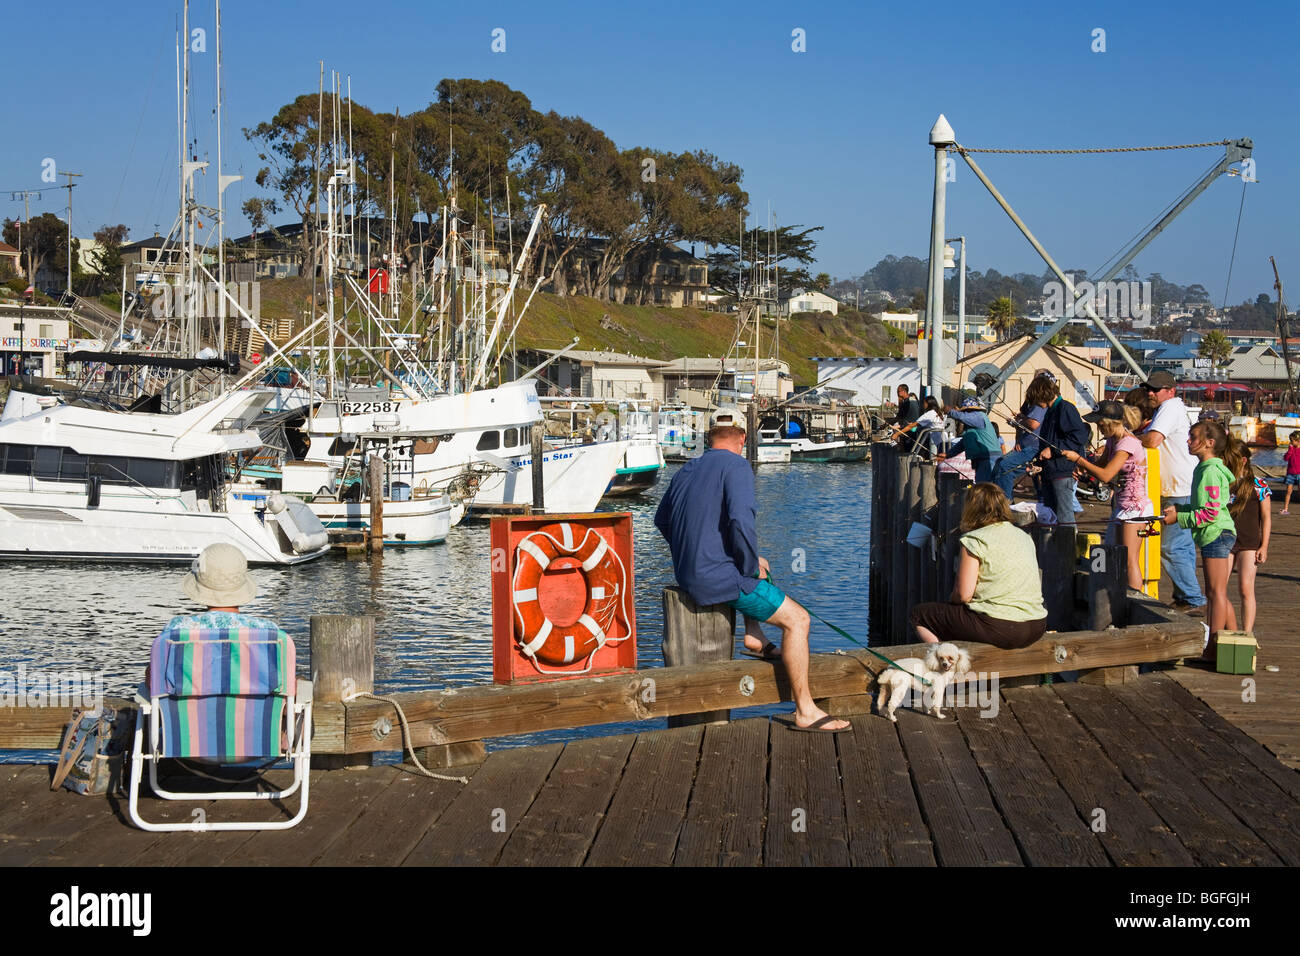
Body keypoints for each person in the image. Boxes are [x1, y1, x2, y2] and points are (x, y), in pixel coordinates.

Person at [654, 405, 849, 733]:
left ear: (710, 435)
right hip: (717, 578)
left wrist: (694, 554)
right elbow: (741, 520)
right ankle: (805, 710)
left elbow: (662, 520)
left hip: (689, 574)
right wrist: (744, 567)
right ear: (744, 437)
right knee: (799, 621)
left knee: (761, 563)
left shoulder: (687, 469)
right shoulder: (737, 466)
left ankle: (754, 635)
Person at [909, 483, 1048, 649]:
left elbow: (963, 595)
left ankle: (945, 662)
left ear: (971, 508)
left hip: (1000, 627)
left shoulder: (974, 539)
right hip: (1036, 624)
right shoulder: (1024, 536)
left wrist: (951, 602)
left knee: (919, 615)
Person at [1161, 420, 1236, 653]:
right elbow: (1201, 508)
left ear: (1209, 443)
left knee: (1215, 593)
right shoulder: (1205, 468)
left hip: (1216, 534)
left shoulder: (1211, 472)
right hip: (1216, 533)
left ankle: (1213, 648)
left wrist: (1180, 519)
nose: (1188, 441)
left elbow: (1210, 513)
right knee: (1218, 591)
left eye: (1193, 437)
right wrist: (1179, 511)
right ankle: (1235, 641)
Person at [1062, 401, 1151, 591]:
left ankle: (1135, 599)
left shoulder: (1128, 443)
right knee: (1114, 555)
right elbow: (1100, 465)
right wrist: (1083, 470)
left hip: (1135, 508)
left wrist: (1079, 460)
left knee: (1129, 560)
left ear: (1111, 423)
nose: (1098, 429)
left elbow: (1106, 475)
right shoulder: (1113, 440)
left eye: (1100, 425)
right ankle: (1117, 597)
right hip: (1121, 505)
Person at [1141, 371, 1206, 615]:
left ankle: (1192, 597)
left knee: (1171, 547)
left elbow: (1153, 440)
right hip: (1183, 486)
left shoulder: (1169, 407)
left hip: (1178, 489)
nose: (1150, 393)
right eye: (1149, 388)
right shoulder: (1172, 408)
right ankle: (1184, 596)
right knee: (1184, 546)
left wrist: (1131, 438)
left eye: (1155, 389)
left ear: (1170, 390)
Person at [1225, 440, 1269, 633]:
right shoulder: (1224, 482)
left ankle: (1247, 632)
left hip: (1249, 543)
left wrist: (1264, 545)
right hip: (1225, 540)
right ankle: (1226, 627)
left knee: (1245, 589)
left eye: (1229, 459)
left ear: (1242, 461)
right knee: (1218, 589)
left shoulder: (1259, 484)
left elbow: (1266, 517)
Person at [1035, 377, 1089, 524]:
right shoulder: (1051, 411)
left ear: (1042, 395)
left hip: (1063, 471)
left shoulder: (1065, 408)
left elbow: (1079, 436)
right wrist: (1037, 460)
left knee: (1064, 517)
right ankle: (1055, 546)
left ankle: (1067, 545)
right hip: (1050, 471)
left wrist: (1053, 451)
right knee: (1051, 516)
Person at [992, 375, 1052, 500]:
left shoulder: (1039, 405)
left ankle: (1006, 501)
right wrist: (1018, 440)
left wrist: (1021, 419)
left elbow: (1033, 424)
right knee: (999, 464)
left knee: (1004, 466)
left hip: (1033, 448)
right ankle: (1000, 499)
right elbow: (1022, 426)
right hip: (1024, 446)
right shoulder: (1031, 406)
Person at [940, 396, 1003, 484]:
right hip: (982, 459)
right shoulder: (971, 427)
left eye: (966, 411)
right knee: (983, 486)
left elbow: (962, 417)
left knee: (984, 487)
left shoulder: (979, 416)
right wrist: (948, 454)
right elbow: (963, 444)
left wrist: (950, 411)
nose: (966, 414)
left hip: (989, 458)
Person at [1281, 430, 1300, 515]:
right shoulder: (1291, 449)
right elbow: (1286, 458)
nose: (1290, 442)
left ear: (1298, 441)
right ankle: (1285, 508)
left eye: (1292, 440)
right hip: (1291, 473)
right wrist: (1290, 450)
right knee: (1288, 491)